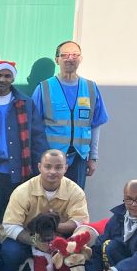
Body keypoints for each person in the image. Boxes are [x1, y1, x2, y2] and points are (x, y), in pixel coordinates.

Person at [0, 60, 48, 229]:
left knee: (17, 220)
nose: (2, 80)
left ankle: (9, 255)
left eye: (7, 76)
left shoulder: (26, 104)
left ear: (12, 79)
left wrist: (42, 169)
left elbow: (38, 138)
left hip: (20, 173)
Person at [0, 149, 89, 271]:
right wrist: (37, 242)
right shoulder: (22, 191)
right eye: (47, 167)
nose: (52, 171)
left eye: (58, 167)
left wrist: (53, 231)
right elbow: (10, 226)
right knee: (11, 252)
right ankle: (26, 270)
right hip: (29, 239)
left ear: (66, 168)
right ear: (39, 167)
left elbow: (80, 223)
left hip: (61, 240)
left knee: (86, 244)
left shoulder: (76, 191)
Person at [32, 41, 109, 189]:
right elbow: (34, 128)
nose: (70, 58)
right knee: (50, 204)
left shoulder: (91, 88)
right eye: (65, 55)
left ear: (80, 59)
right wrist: (39, 159)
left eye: (75, 55)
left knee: (74, 202)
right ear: (57, 60)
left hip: (79, 158)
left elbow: (95, 125)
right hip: (51, 160)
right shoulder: (44, 88)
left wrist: (93, 157)